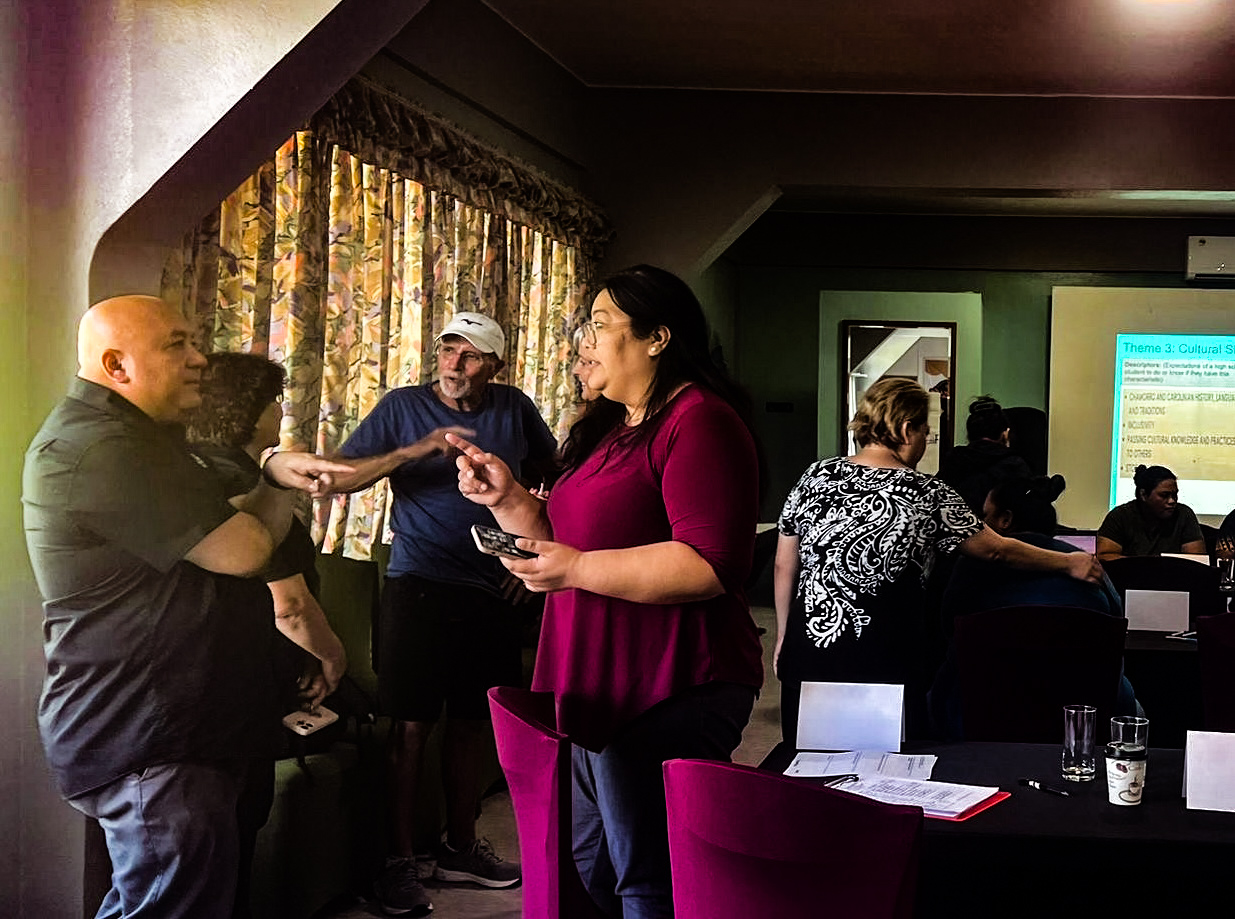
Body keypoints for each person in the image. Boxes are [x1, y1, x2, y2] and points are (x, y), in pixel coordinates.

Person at [22, 295, 353, 919]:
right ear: (117, 364)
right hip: (149, 733)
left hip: (181, 729)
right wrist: (274, 482)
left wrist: (274, 476)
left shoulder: (146, 439)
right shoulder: (101, 449)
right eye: (178, 345)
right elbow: (246, 550)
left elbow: (246, 525)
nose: (200, 359)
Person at [450, 265, 764, 919]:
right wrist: (505, 496)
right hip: (593, 686)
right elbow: (564, 540)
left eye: (599, 324)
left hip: (666, 683)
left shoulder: (700, 421)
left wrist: (574, 570)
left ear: (657, 337)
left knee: (645, 877)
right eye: (581, 327)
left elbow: (709, 564)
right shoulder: (613, 428)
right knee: (590, 872)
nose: (581, 342)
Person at [324, 312, 556, 915]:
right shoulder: (403, 407)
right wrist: (416, 450)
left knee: (474, 724)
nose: (453, 363)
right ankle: (398, 863)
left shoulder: (514, 408)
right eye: (448, 349)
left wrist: (533, 563)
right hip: (418, 586)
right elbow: (341, 478)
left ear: (495, 366)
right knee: (408, 728)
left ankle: (460, 846)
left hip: (491, 589)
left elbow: (557, 479)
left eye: (470, 355)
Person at [774, 378, 1103, 744]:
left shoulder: (815, 475)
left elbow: (785, 565)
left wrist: (785, 637)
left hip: (810, 649)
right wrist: (1069, 563)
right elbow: (997, 550)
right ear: (905, 429)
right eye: (925, 434)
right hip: (885, 656)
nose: (923, 443)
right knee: (885, 774)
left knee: (807, 768)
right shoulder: (925, 493)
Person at [185, 352, 348, 711]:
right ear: (246, 412)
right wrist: (333, 657)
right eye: (272, 401)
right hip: (243, 677)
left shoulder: (189, 469)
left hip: (195, 671)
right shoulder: (250, 486)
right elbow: (289, 606)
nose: (279, 411)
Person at [928, 475, 1137, 737]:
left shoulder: (970, 568)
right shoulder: (1088, 566)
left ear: (1005, 520)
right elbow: (1115, 631)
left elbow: (949, 628)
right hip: (1083, 722)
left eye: (984, 516)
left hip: (981, 717)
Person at [936, 394, 1032, 515]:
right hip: (998, 532)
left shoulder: (953, 460)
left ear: (970, 434)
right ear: (1005, 434)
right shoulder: (1014, 465)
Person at [1097, 464, 1206, 561]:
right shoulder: (1120, 516)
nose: (1172, 501)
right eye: (1164, 495)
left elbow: (1196, 560)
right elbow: (1105, 557)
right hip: (1130, 580)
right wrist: (1146, 568)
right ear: (1143, 495)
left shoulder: (1184, 515)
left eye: (1174, 495)